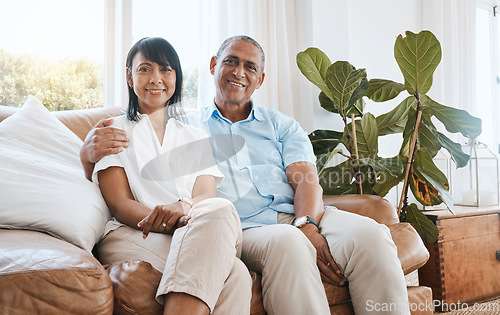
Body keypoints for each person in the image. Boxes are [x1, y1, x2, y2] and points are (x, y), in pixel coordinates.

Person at [82, 35, 410, 314]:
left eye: (250, 67)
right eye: (231, 62)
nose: (239, 72)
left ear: (260, 79)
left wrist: (308, 223)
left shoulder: (281, 125)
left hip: (300, 216)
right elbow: (139, 167)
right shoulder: (188, 126)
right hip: (242, 228)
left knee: (373, 234)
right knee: (288, 243)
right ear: (214, 65)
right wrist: (86, 152)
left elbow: (307, 179)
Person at [89, 37, 251, 315]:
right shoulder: (113, 130)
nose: (156, 79)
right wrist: (166, 221)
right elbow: (120, 203)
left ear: (176, 77)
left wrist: (183, 211)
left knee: (222, 215)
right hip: (133, 232)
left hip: (189, 228)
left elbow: (206, 195)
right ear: (130, 77)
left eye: (165, 70)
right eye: (145, 69)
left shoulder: (194, 136)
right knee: (235, 272)